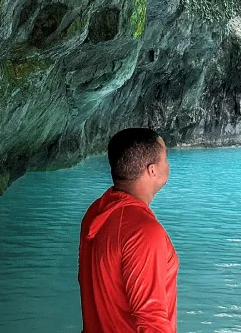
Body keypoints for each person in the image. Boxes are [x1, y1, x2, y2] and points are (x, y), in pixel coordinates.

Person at [78, 128, 178, 333]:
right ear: (152, 170)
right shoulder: (144, 231)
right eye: (165, 158)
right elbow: (152, 320)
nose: (168, 164)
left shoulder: (97, 212)